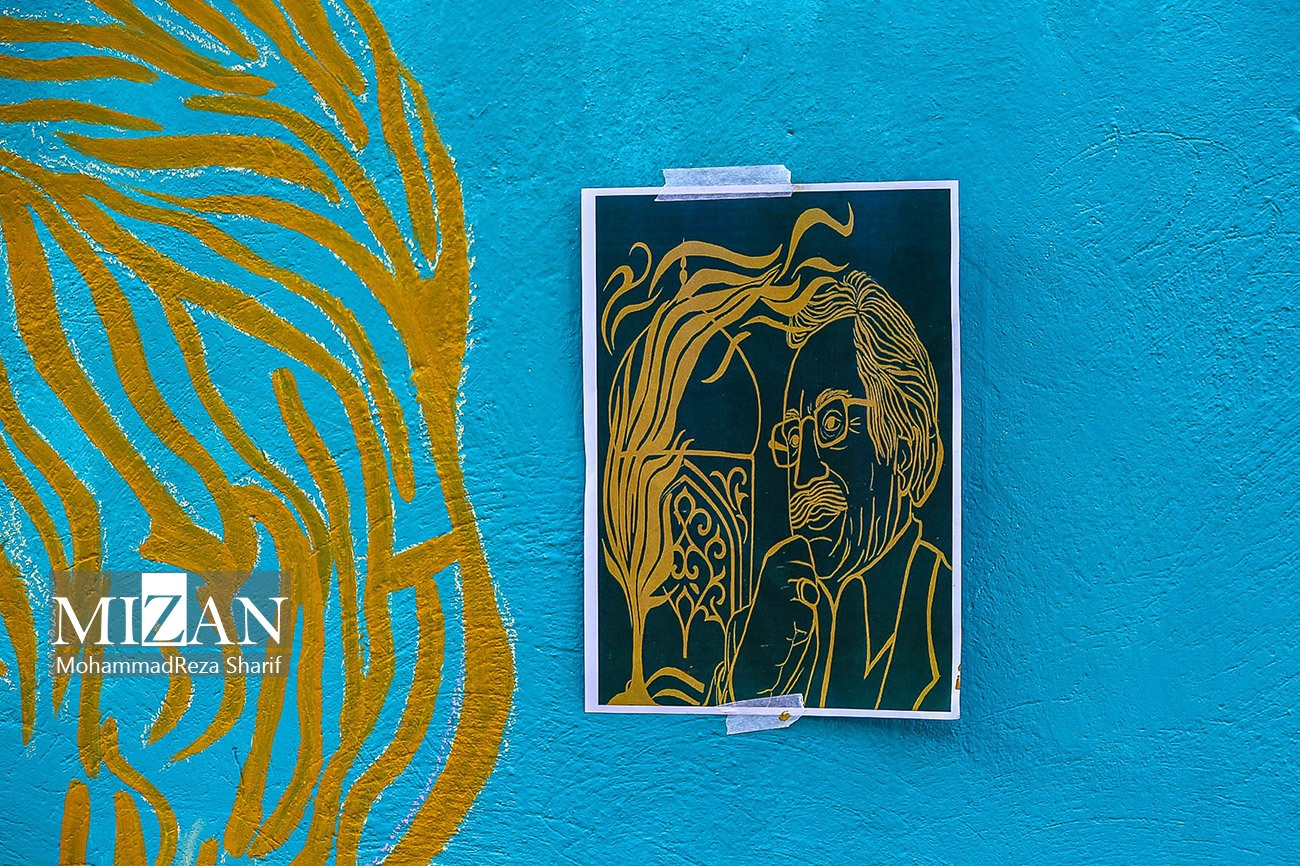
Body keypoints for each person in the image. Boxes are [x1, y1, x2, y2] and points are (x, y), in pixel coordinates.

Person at [728, 270, 952, 712]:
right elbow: (742, 746)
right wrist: (754, 683)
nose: (802, 474)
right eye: (793, 438)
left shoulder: (944, 610)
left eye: (832, 423)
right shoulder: (756, 629)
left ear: (905, 448)